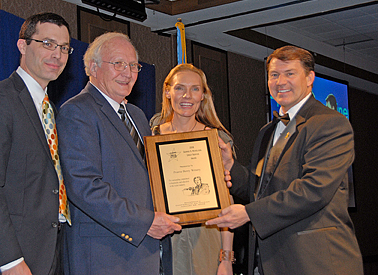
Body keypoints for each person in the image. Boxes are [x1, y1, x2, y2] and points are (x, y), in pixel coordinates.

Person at [207, 46, 363, 275]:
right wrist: (230, 165)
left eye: (290, 73)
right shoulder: (267, 131)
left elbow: (314, 190)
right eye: (274, 74)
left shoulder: (330, 123)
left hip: (316, 263)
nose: (281, 81)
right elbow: (259, 187)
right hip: (268, 261)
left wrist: (250, 213)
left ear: (310, 78)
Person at [56, 32, 182, 275]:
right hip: (104, 256)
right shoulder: (77, 111)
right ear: (93, 67)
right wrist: (144, 222)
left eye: (134, 65)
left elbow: (149, 177)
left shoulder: (137, 115)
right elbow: (85, 187)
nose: (128, 72)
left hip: (144, 253)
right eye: (118, 64)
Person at [0, 13, 72, 275]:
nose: (57, 54)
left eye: (64, 48)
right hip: (11, 262)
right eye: (47, 43)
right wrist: (10, 262)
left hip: (50, 254)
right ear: (22, 46)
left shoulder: (51, 110)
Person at [151, 63, 235, 275]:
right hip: (159, 237)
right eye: (180, 88)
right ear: (168, 92)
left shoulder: (218, 141)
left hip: (205, 238)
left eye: (195, 89)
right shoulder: (152, 135)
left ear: (203, 96)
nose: (187, 96)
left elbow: (228, 203)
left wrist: (226, 258)